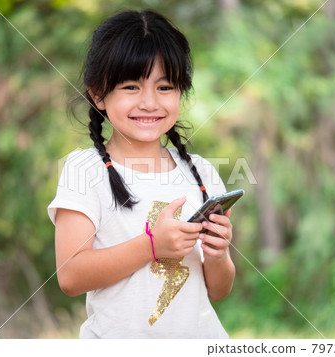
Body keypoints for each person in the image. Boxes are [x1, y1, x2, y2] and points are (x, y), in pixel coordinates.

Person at [47, 10, 235, 338]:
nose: (149, 102)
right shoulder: (84, 171)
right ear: (98, 94)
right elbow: (70, 276)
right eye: (132, 87)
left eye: (164, 87)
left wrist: (218, 254)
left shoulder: (202, 171)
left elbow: (219, 290)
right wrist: (152, 245)